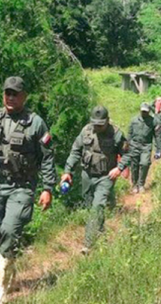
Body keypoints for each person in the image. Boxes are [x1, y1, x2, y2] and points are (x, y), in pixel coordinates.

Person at [0, 76, 57, 304]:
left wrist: (48, 188)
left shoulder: (35, 123)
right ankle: (11, 276)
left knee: (9, 230)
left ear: (24, 96)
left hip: (23, 188)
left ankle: (0, 291)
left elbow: (47, 158)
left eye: (15, 93)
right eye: (7, 93)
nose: (10, 97)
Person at [61, 106, 130, 254]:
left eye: (101, 124)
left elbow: (128, 154)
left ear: (107, 121)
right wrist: (67, 171)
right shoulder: (86, 131)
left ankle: (88, 244)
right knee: (89, 206)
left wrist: (119, 168)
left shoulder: (116, 134)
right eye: (95, 124)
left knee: (97, 206)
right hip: (87, 175)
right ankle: (100, 232)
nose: (97, 127)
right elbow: (75, 151)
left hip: (106, 177)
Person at [128, 102, 161, 193]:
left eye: (146, 112)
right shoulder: (134, 120)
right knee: (134, 165)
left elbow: (157, 136)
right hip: (134, 145)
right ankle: (134, 184)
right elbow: (129, 134)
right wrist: (127, 145)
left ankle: (141, 184)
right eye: (142, 111)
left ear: (149, 111)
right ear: (140, 110)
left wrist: (159, 148)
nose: (144, 113)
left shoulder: (153, 121)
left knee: (145, 163)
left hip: (146, 146)